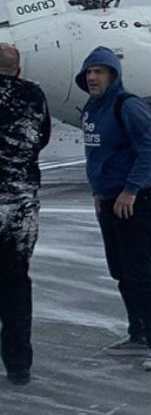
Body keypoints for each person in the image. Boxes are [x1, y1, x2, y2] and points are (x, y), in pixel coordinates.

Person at [76, 46, 151, 370]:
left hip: (137, 200)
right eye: (89, 72)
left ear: (113, 75)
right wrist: (98, 193)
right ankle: (139, 333)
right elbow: (98, 156)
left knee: (139, 270)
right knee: (120, 270)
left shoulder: (128, 105)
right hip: (107, 199)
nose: (92, 77)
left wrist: (130, 190)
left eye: (99, 71)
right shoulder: (92, 108)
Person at [0, 44, 51, 385]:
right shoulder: (33, 95)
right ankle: (18, 364)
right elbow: (41, 138)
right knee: (16, 284)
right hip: (19, 203)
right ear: (18, 69)